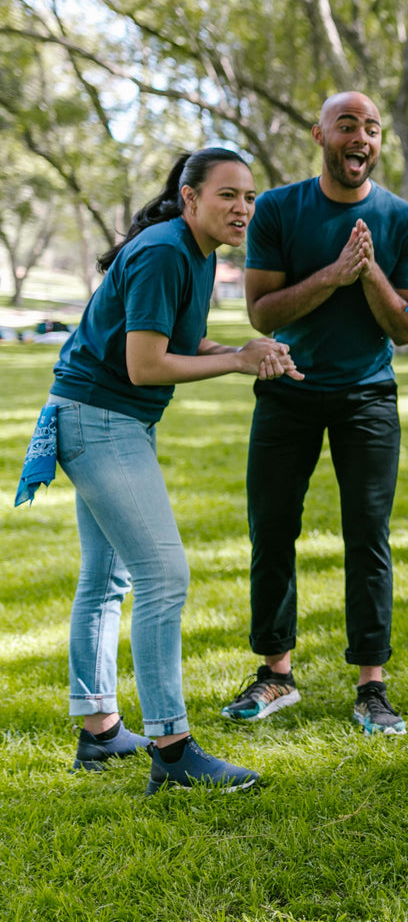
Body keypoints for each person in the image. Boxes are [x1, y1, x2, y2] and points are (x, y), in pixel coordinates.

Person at [35, 147, 300, 792]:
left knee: (107, 577)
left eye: (249, 197)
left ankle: (99, 732)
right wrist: (236, 364)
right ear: (190, 198)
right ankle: (173, 748)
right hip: (100, 419)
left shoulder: (193, 252)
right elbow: (145, 365)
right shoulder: (162, 251)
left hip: (101, 416)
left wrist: (244, 348)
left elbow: (180, 342)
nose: (243, 208)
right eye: (228, 195)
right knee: (163, 574)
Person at [221, 91, 408, 736]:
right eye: (348, 124)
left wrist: (368, 277)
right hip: (285, 388)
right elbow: (262, 313)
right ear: (321, 135)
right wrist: (335, 273)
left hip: (367, 397)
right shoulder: (280, 208)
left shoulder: (404, 221)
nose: (361, 136)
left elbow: (406, 330)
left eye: (371, 127)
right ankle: (276, 674)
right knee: (273, 529)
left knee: (368, 535)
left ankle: (372, 686)